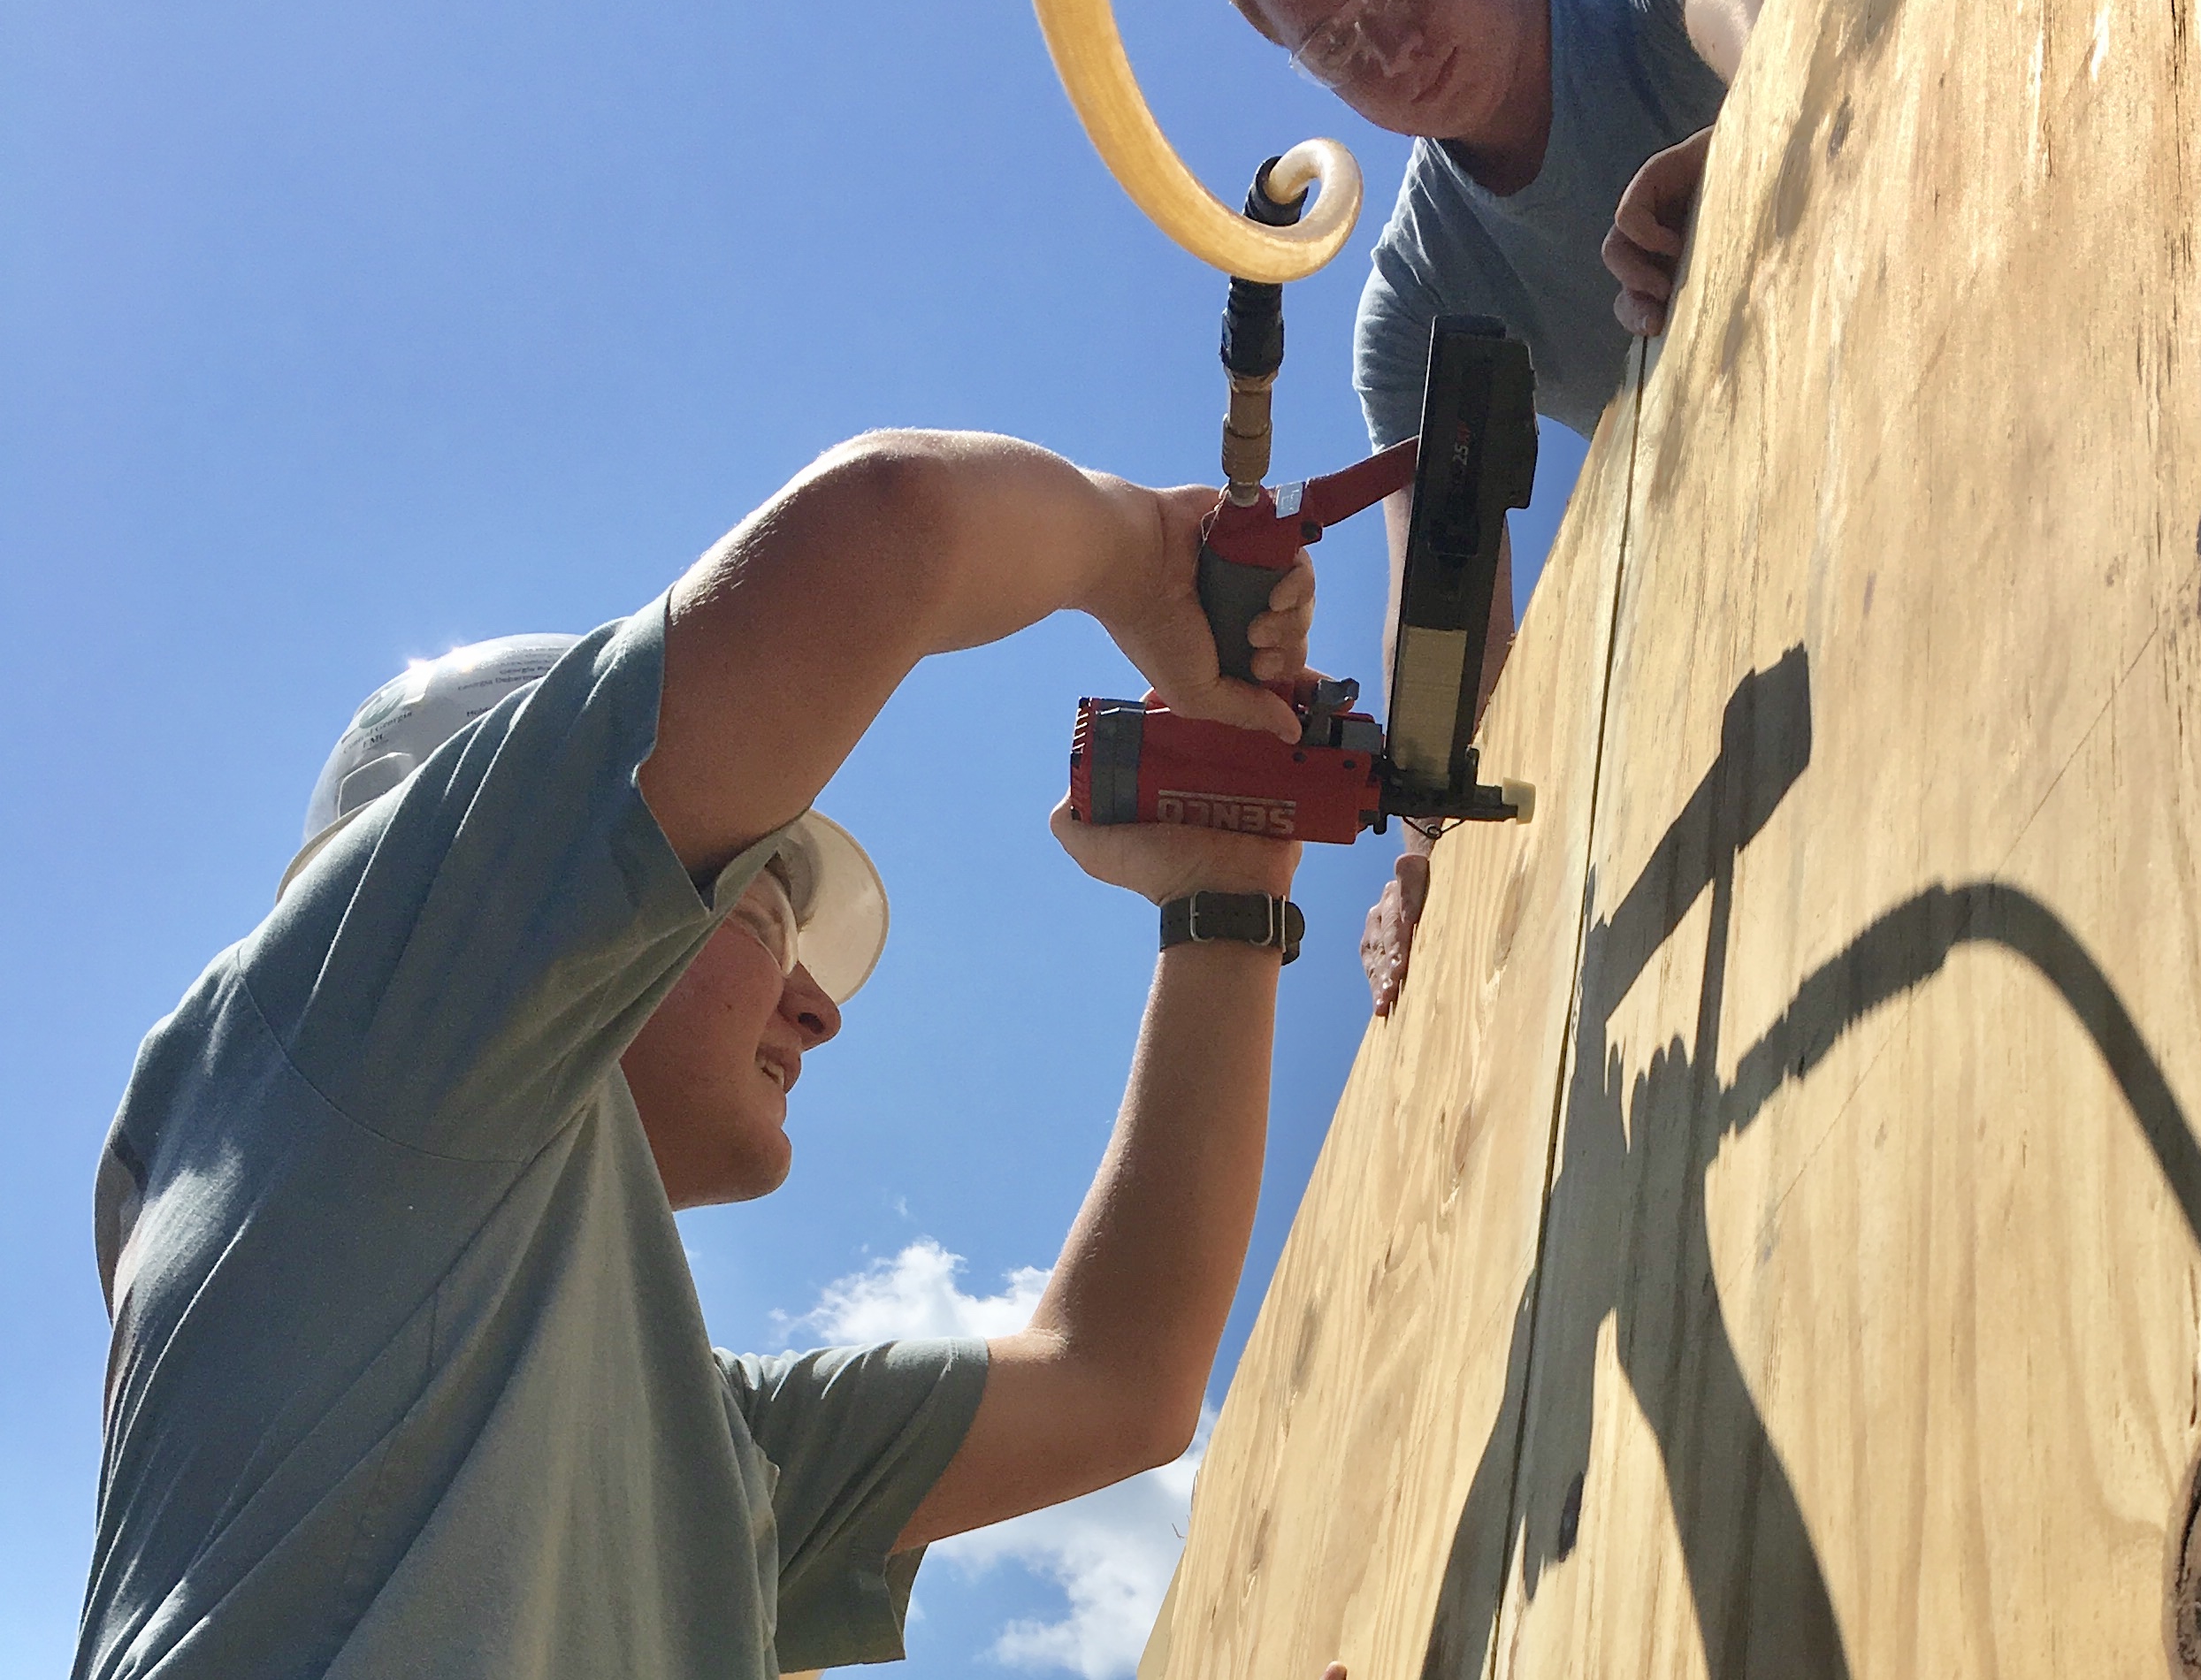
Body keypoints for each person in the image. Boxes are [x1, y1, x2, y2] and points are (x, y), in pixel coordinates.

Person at [79, 431, 1318, 1679]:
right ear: (510, 880)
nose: (816, 1008)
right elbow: (899, 523)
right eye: (764, 915)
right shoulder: (379, 1013)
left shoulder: (707, 1449)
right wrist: (1147, 554)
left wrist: (1226, 897)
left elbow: (1118, 1381)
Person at [1204, 0, 1804, 1012]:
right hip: (1788, 574)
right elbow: (1452, 625)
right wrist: (1425, 847)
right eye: (1339, 45)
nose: (1398, 49)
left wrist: (1762, 136)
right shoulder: (1420, 307)